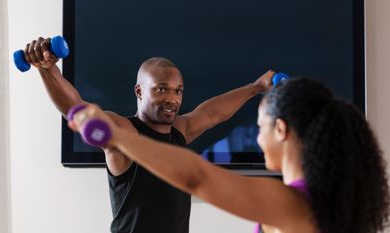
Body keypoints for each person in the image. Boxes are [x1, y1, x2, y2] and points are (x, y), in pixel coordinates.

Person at [69, 77, 390, 233]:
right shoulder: (324, 200)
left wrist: (117, 136)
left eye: (260, 126)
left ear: (280, 130)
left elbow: (197, 176)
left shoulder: (292, 202)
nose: (258, 137)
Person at [22, 36, 275, 233]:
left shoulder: (178, 131)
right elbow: (76, 109)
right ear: (139, 91)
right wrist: (49, 71)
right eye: (162, 89)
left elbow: (212, 114)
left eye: (178, 91)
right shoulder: (125, 132)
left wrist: (256, 88)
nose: (172, 99)